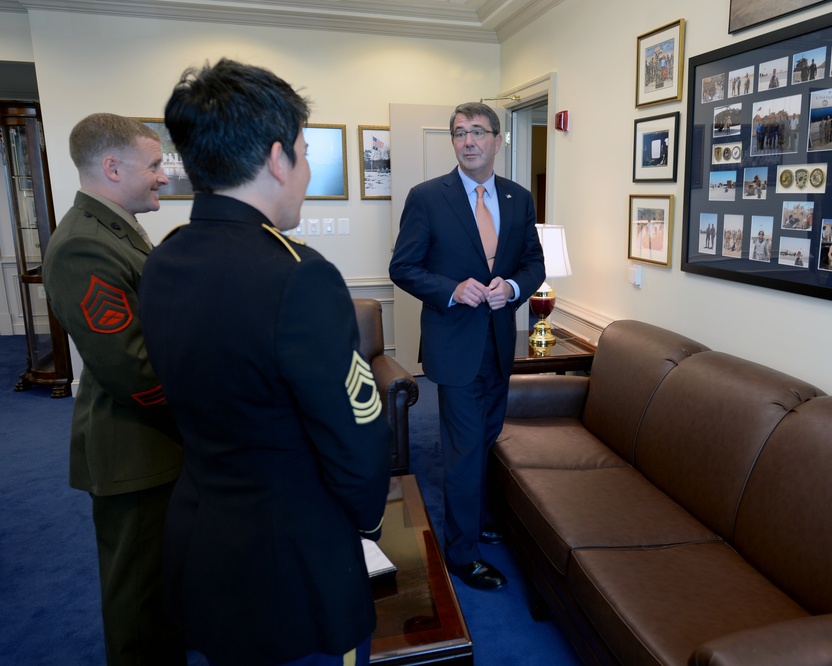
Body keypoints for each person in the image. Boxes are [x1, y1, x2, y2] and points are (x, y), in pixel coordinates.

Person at [138, 58, 392, 665]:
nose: (304, 172)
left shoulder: (165, 259)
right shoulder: (297, 277)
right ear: (278, 158)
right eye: (304, 153)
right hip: (292, 566)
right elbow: (354, 436)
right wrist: (366, 524)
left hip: (200, 539)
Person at [42, 113, 186, 665]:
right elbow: (136, 373)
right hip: (134, 447)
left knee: (164, 582)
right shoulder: (83, 245)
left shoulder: (114, 226)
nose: (161, 177)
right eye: (153, 166)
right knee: (139, 602)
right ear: (111, 166)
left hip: (155, 444)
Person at [389, 102, 545, 591]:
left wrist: (514, 289)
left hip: (499, 342)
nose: (469, 141)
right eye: (459, 133)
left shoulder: (519, 199)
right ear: (453, 142)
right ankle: (461, 552)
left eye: (478, 132)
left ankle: (475, 518)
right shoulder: (427, 197)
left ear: (498, 140)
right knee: (459, 451)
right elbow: (403, 267)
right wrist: (452, 290)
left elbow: (533, 264)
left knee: (485, 439)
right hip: (454, 344)